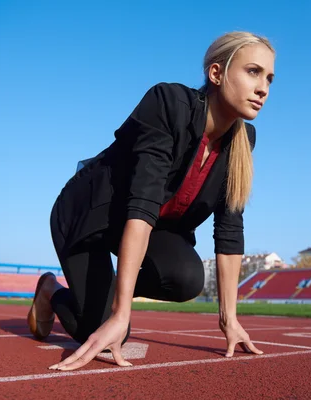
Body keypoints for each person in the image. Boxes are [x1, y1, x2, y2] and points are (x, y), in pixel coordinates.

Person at [27, 31, 276, 371]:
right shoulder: (168, 103)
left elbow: (229, 230)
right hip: (89, 217)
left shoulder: (244, 140)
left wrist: (229, 319)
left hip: (152, 227)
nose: (263, 88)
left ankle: (101, 295)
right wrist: (119, 313)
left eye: (269, 78)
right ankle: (49, 289)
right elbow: (142, 203)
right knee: (101, 330)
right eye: (253, 71)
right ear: (216, 73)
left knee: (186, 277)